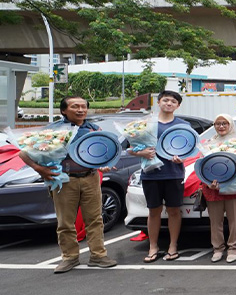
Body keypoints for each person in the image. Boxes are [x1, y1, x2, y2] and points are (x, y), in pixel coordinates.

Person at [20, 96, 117, 274]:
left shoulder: (94, 129)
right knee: (65, 222)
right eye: (75, 107)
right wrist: (40, 169)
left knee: (95, 219)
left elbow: (101, 152)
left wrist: (105, 163)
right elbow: (24, 153)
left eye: (83, 107)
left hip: (91, 177)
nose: (81, 110)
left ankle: (98, 256)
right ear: (64, 110)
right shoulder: (53, 130)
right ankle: (69, 258)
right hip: (64, 180)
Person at [130, 90, 188, 263]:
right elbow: (130, 149)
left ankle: (173, 246)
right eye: (166, 100)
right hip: (151, 174)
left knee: (173, 211)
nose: (169, 104)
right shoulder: (146, 124)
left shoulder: (182, 124)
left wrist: (182, 157)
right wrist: (142, 153)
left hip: (174, 173)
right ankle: (153, 246)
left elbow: (191, 148)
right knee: (153, 211)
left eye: (173, 101)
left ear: (177, 106)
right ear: (159, 102)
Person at [202, 114, 236, 264]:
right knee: (215, 221)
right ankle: (217, 249)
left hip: (234, 186)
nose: (221, 126)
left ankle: (233, 248)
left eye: (225, 123)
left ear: (230, 125)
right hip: (213, 187)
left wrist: (229, 172)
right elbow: (203, 165)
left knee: (234, 221)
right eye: (217, 123)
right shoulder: (208, 144)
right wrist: (210, 178)